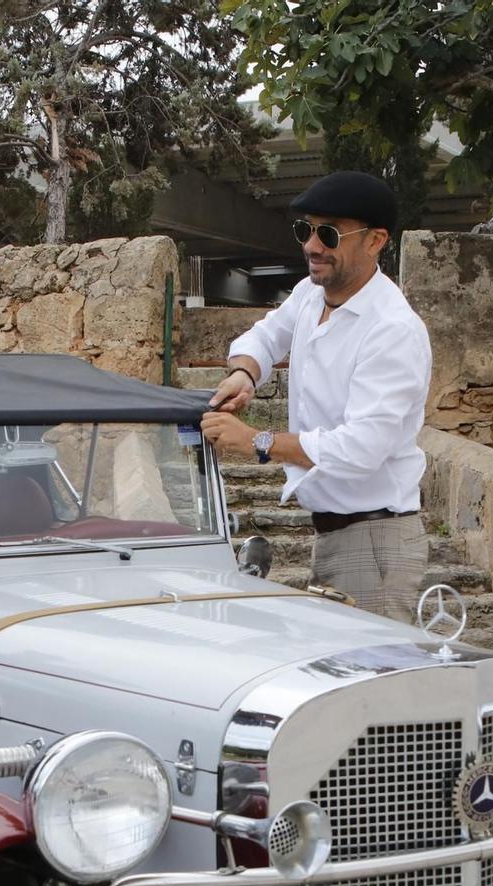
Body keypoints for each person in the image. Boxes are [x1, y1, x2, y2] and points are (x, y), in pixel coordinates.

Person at [199, 169, 434, 617]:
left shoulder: (392, 330)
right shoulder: (311, 294)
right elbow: (267, 336)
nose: (311, 245)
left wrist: (256, 442)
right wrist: (244, 375)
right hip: (336, 534)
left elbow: (359, 449)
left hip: (374, 542)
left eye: (328, 233)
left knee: (369, 683)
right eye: (304, 230)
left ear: (375, 240)